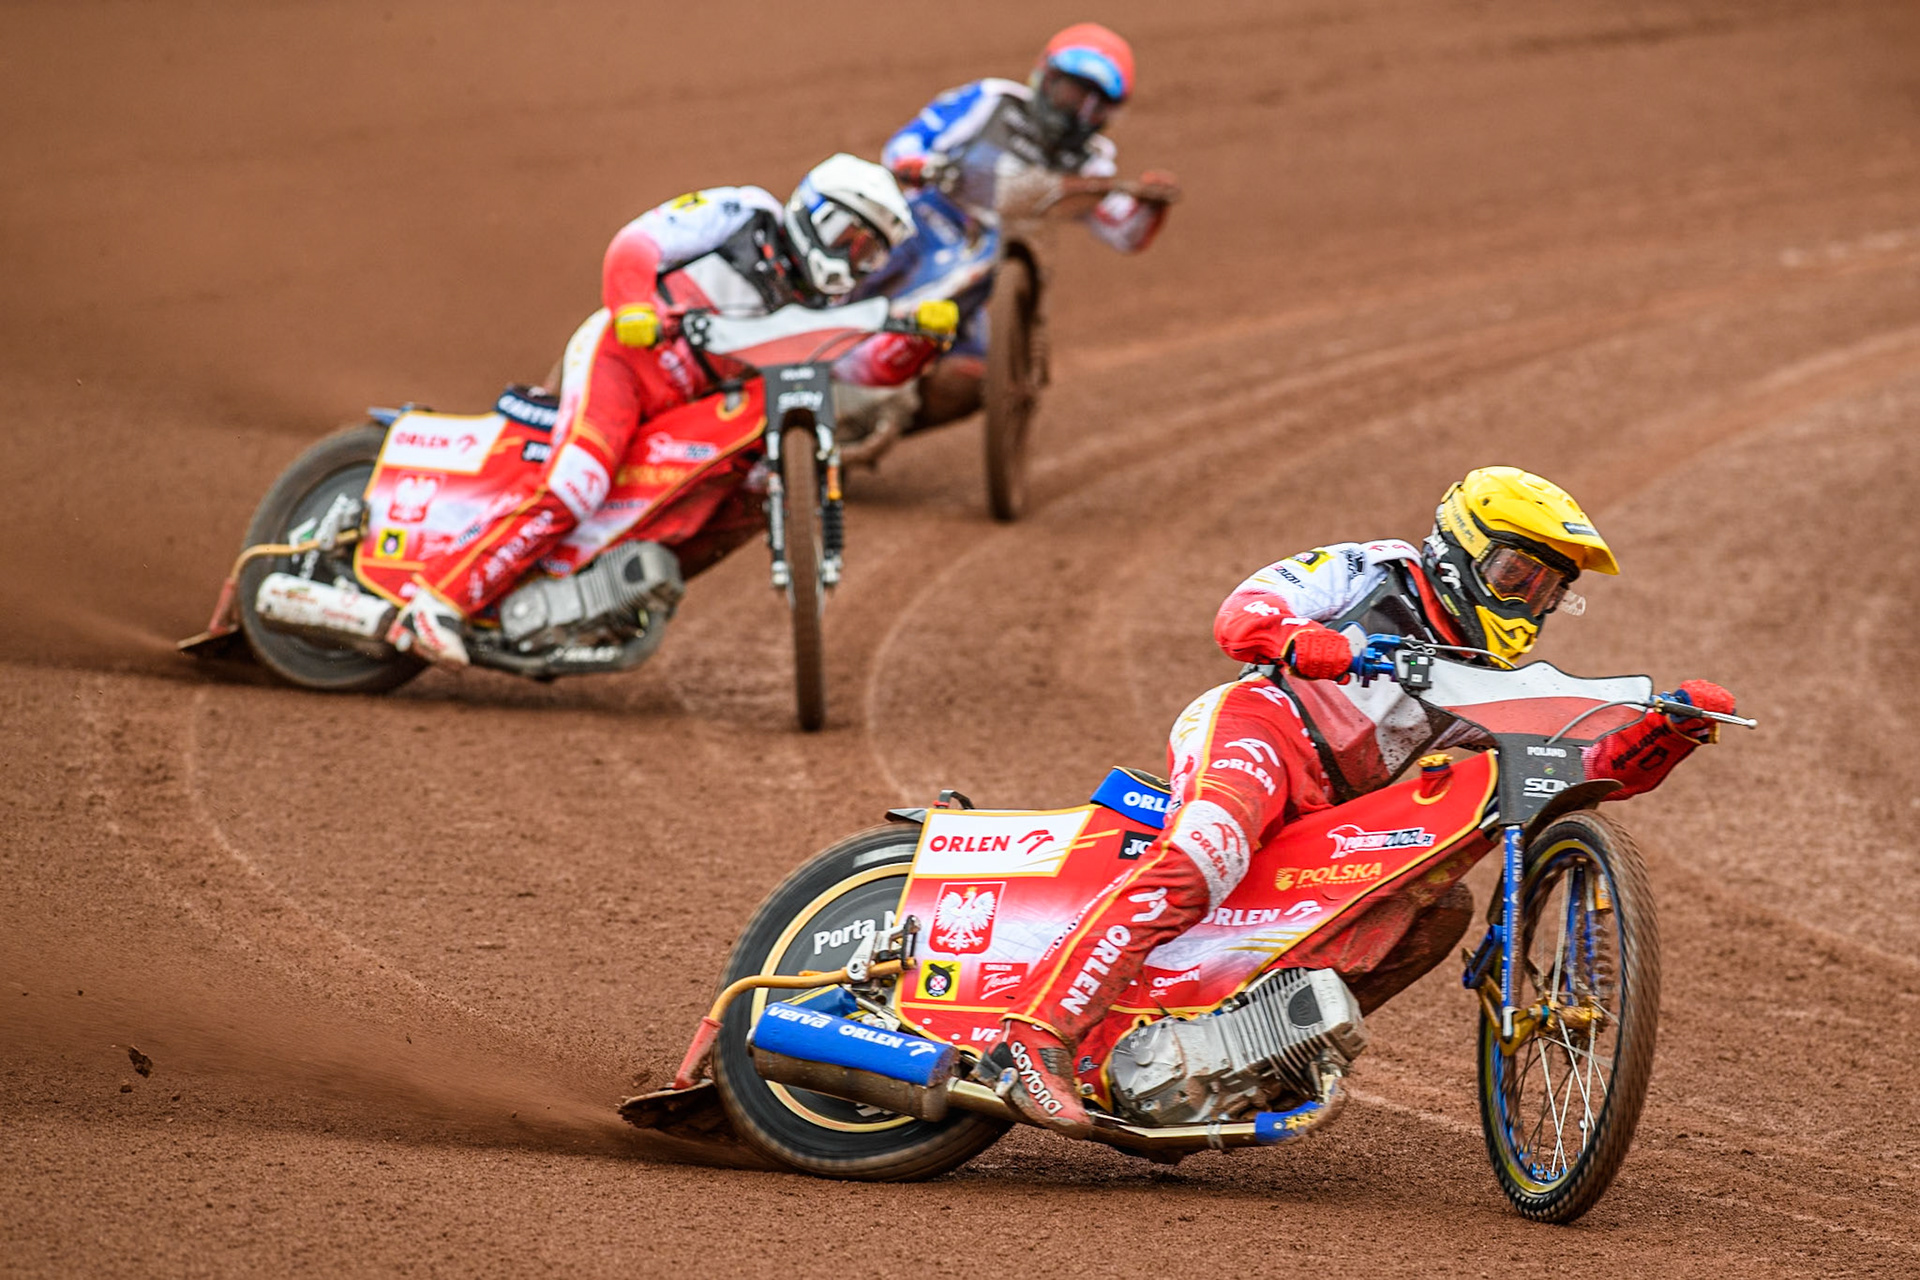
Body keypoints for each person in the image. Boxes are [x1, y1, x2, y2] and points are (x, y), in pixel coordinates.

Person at [988, 466, 1739, 1135]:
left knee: (1435, 912)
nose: (1529, 601)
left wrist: (1665, 734)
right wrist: (1316, 644)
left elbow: (1575, 770)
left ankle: (1240, 1062)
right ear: (1460, 550)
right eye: (1516, 575)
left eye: (1548, 590)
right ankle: (1033, 1033)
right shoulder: (1371, 569)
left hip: (1341, 811)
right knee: (1206, 854)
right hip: (1266, 732)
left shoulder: (1493, 676)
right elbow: (1240, 616)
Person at [387, 154, 932, 664]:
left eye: (872, 255)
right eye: (851, 240)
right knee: (580, 480)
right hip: (625, 361)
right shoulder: (745, 214)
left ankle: (594, 600)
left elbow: (862, 373)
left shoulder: (823, 308)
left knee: (742, 498)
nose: (854, 262)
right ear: (814, 212)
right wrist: (633, 307)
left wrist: (923, 339)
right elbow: (638, 242)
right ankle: (438, 601)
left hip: (686, 410)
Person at [846, 23, 1179, 423]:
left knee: (977, 377)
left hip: (989, 264)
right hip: (927, 220)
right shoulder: (992, 102)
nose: (1078, 115)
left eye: (1095, 106)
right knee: (849, 266)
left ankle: (878, 415)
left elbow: (1124, 231)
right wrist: (917, 163)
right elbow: (907, 143)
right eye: (1074, 95)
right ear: (1046, 78)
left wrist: (1153, 205)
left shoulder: (1092, 163)